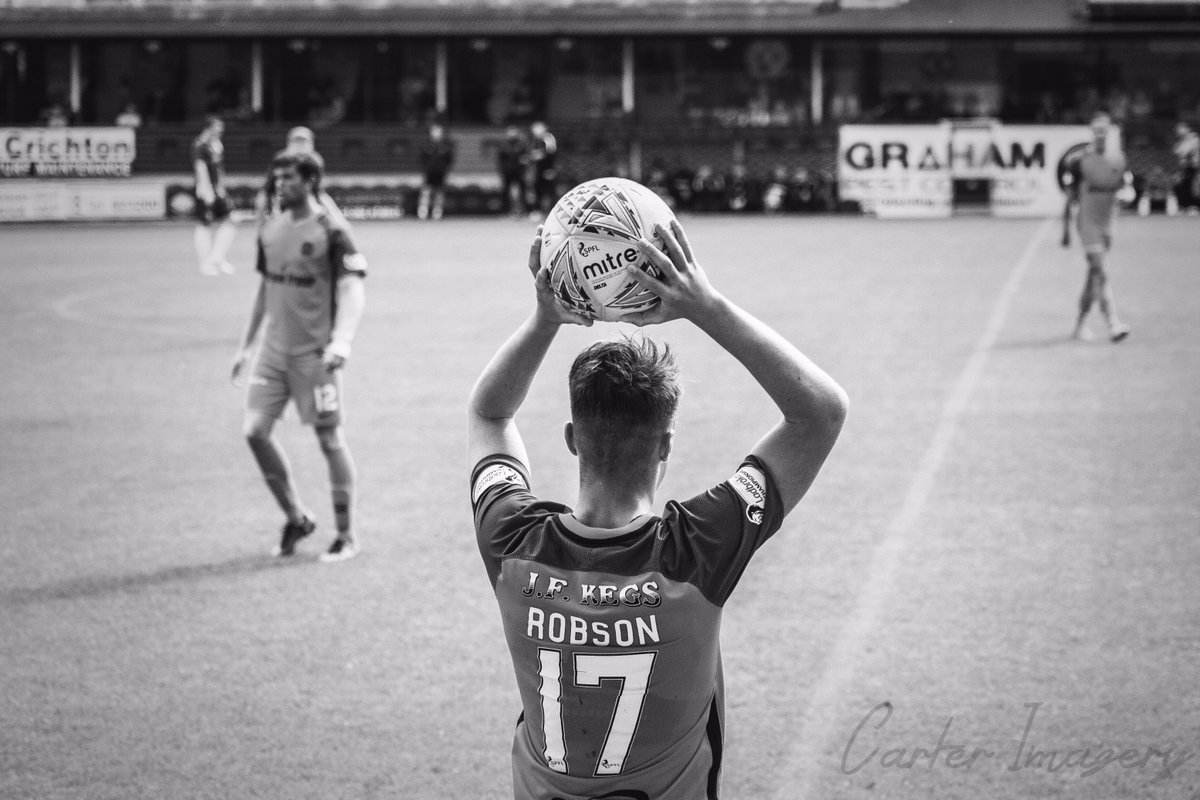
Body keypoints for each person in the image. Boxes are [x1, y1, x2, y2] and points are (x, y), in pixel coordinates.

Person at [467, 220, 848, 799]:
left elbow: (489, 414)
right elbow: (820, 412)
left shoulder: (512, 540)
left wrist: (545, 319)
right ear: (665, 445)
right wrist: (704, 306)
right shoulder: (697, 548)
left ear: (572, 439)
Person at [230, 151, 367, 563]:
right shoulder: (270, 228)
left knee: (329, 440)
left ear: (310, 181)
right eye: (277, 177)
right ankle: (297, 518)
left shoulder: (332, 230)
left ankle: (345, 535)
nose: (280, 184)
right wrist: (246, 346)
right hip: (272, 353)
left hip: (314, 356)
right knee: (255, 432)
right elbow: (265, 288)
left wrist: (342, 341)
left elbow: (352, 288)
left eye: (289, 178)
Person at [1062, 110, 1133, 343]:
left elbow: (1127, 187)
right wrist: (1065, 229)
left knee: (1093, 276)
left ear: (1110, 131)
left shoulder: (1119, 159)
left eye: (1104, 130)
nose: (1100, 134)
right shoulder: (1079, 161)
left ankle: (1079, 325)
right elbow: (1070, 197)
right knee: (1101, 270)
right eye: (1097, 130)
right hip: (1087, 223)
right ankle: (1113, 323)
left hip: (1108, 224)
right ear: (1091, 132)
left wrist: (1127, 195)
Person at [255, 126, 347, 225]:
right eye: (297, 140)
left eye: (304, 140)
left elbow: (317, 188)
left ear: (312, 143)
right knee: (261, 199)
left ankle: (339, 226)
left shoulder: (315, 160)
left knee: (327, 204)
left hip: (309, 196)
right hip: (282, 196)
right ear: (289, 143)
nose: (300, 144)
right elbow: (269, 187)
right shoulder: (280, 159)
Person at [192, 114, 237, 276]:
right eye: (217, 128)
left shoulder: (217, 145)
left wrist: (221, 187)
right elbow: (200, 169)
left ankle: (217, 257)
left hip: (217, 191)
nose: (220, 131)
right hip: (205, 191)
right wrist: (207, 191)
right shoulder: (199, 145)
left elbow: (219, 168)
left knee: (231, 220)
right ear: (208, 128)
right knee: (204, 225)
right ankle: (205, 263)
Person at [417, 122, 455, 220]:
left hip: (441, 173)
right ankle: (423, 211)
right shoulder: (426, 145)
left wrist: (448, 171)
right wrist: (423, 171)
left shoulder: (446, 146)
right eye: (434, 131)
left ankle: (437, 212)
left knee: (439, 192)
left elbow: (449, 161)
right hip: (429, 172)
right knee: (426, 191)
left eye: (438, 132)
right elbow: (422, 160)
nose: (436, 134)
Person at [526, 120, 558, 217]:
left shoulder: (548, 138)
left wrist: (551, 169)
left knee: (549, 191)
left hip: (547, 169)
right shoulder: (535, 140)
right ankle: (538, 211)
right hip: (537, 169)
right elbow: (531, 153)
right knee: (537, 190)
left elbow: (551, 153)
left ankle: (553, 212)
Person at [497, 125, 528, 218]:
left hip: (519, 172)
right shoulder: (503, 145)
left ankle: (523, 211)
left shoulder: (521, 145)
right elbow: (500, 160)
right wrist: (503, 170)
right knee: (505, 192)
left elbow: (525, 158)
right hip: (507, 172)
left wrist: (523, 169)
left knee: (522, 192)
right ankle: (505, 211)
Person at [1172, 121, 1200, 214]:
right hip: (1184, 167)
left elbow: (1184, 151)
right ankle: (1184, 206)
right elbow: (1176, 150)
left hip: (1192, 166)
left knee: (1190, 186)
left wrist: (1181, 150)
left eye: (1180, 128)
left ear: (1187, 128)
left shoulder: (1193, 138)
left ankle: (1192, 206)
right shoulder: (1183, 139)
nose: (1178, 130)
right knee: (1183, 185)